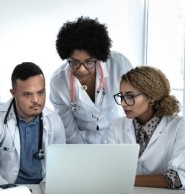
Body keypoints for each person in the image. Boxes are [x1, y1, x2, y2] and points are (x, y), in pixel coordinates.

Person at [0, 62, 66, 186]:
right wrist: (11, 191)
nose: (35, 100)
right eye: (27, 94)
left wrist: (47, 189)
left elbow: (59, 166)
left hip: (45, 188)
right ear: (13, 94)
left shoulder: (54, 121)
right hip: (6, 190)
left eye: (40, 92)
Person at [50, 16, 133, 144]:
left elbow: (134, 105)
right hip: (82, 141)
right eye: (74, 62)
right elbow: (68, 129)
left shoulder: (119, 65)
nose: (82, 70)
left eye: (89, 62)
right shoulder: (58, 82)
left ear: (98, 57)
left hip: (118, 137)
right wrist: (84, 155)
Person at [107, 66, 185, 189]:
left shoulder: (179, 126)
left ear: (151, 97)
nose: (123, 103)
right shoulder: (116, 126)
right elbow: (109, 171)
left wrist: (127, 180)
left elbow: (178, 178)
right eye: (121, 96)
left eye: (130, 96)